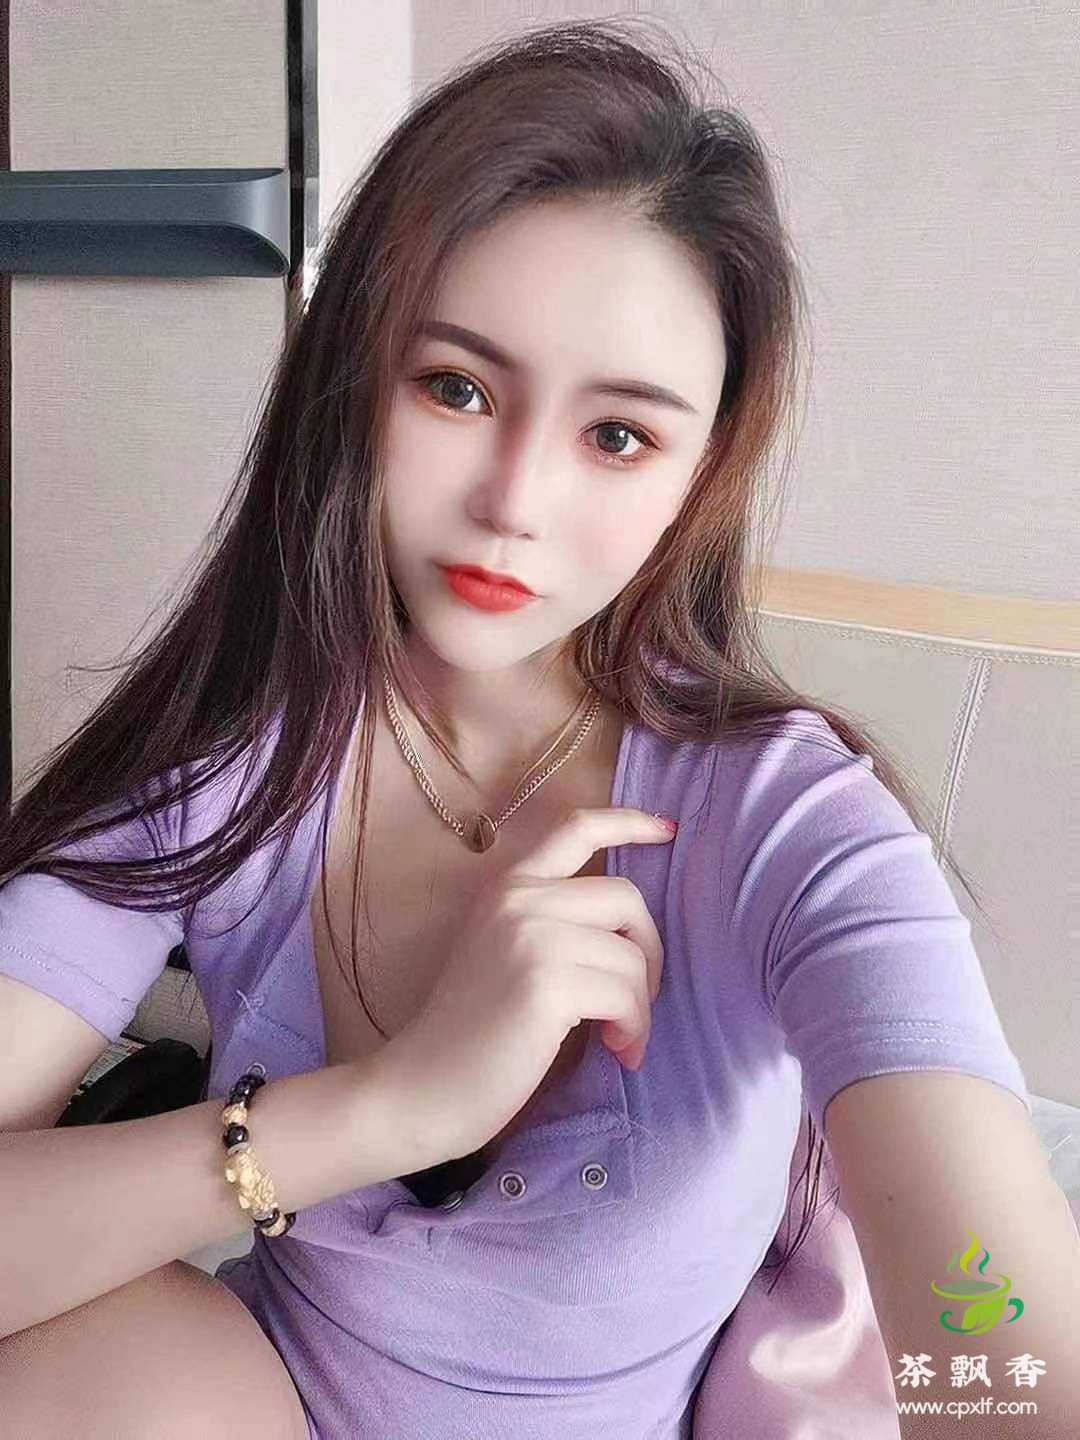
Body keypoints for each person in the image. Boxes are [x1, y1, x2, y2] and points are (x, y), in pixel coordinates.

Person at [1, 19, 1075, 1440]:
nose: (514, 502)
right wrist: (393, 1106)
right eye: (454, 388)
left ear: (698, 475)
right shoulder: (226, 766)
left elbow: (1018, 1364)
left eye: (617, 436)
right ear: (351, 382)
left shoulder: (791, 829)